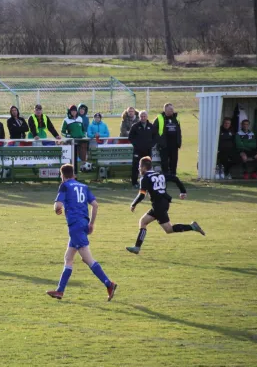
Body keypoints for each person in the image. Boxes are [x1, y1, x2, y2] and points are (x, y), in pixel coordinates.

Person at [46, 164, 117, 301]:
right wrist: (91, 223)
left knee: (87, 259)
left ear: (63, 176)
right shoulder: (84, 187)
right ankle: (60, 291)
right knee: (68, 257)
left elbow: (57, 205)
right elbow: (95, 205)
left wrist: (57, 209)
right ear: (73, 174)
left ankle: (109, 284)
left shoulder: (64, 185)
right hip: (83, 223)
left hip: (75, 226)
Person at [126, 156, 205, 255]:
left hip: (158, 205)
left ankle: (192, 227)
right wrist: (183, 191)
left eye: (139, 166)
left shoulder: (145, 178)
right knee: (143, 221)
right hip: (163, 203)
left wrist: (134, 204)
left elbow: (142, 194)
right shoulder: (160, 174)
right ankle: (137, 247)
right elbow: (175, 178)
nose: (138, 168)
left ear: (144, 167)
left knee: (168, 229)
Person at [128, 111, 157, 188]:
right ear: (139, 117)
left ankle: (148, 182)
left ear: (147, 117)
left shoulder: (151, 126)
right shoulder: (135, 126)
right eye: (141, 116)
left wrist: (151, 144)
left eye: (144, 116)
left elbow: (155, 137)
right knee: (136, 166)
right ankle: (134, 182)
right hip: (137, 150)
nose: (143, 118)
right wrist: (136, 145)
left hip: (147, 150)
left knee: (148, 166)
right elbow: (130, 137)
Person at [153, 103, 182, 176]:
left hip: (174, 144)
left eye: (172, 109)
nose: (172, 110)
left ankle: (173, 175)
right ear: (165, 110)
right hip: (164, 144)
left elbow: (179, 131)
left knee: (174, 160)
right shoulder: (159, 118)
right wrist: (159, 141)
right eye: (170, 109)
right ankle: (165, 175)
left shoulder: (176, 118)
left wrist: (179, 142)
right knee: (164, 161)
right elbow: (153, 130)